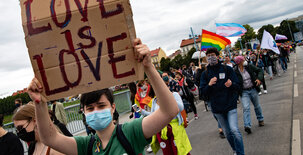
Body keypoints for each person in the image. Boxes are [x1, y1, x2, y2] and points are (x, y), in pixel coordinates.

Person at [26, 38, 179, 155]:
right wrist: (39, 103)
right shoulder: (86, 145)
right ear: (84, 112)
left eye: (101, 106)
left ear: (113, 107)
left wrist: (148, 67)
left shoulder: (130, 131)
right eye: (90, 108)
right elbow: (49, 138)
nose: (96, 111)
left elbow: (169, 111)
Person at [200, 48, 244, 155]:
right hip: (217, 108)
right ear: (206, 58)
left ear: (217, 56)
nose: (211, 57)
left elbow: (238, 85)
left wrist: (231, 84)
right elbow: (202, 93)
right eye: (208, 55)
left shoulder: (226, 69)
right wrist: (209, 84)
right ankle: (235, 149)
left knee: (234, 130)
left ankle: (240, 153)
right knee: (227, 133)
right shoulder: (205, 74)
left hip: (230, 105)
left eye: (213, 55)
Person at [234, 56, 265, 134]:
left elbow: (260, 71)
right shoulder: (235, 71)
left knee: (257, 106)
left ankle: (260, 119)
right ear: (239, 62)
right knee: (246, 108)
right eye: (243, 60)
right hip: (244, 92)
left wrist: (258, 79)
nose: (245, 61)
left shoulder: (249, 66)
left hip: (253, 89)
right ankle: (247, 125)